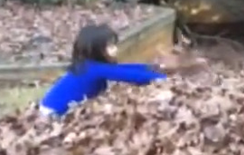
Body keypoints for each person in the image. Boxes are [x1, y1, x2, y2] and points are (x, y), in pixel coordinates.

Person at [39, 23, 167, 117]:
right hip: (53, 114)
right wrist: (163, 78)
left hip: (48, 107)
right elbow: (129, 75)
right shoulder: (94, 69)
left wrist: (150, 67)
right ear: (96, 50)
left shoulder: (87, 65)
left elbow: (123, 69)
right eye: (110, 46)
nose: (115, 49)